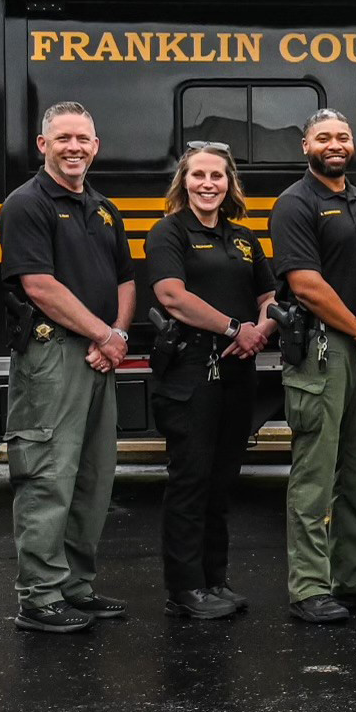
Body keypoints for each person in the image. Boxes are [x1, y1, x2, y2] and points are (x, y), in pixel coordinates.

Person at [0, 102, 135, 634]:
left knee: (93, 479)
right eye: (63, 138)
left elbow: (126, 280)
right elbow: (38, 286)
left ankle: (75, 587)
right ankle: (39, 596)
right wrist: (104, 335)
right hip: (53, 356)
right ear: (43, 145)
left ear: (96, 146)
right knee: (46, 476)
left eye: (83, 138)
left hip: (101, 355)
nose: (74, 147)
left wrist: (116, 336)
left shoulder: (103, 207)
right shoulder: (26, 204)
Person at [270, 108, 356, 624]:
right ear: (305, 145)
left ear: (353, 144)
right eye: (323, 137)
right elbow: (304, 283)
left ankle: (355, 577)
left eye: (343, 136)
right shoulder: (294, 203)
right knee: (315, 473)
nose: (335, 144)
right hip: (323, 350)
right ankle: (310, 586)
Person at [144, 143, 277, 621]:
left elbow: (268, 292)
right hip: (190, 371)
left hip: (238, 370)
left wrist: (261, 328)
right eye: (198, 175)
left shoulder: (243, 237)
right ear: (183, 182)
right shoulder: (168, 233)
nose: (207, 183)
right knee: (190, 480)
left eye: (217, 176)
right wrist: (231, 328)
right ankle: (185, 589)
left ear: (229, 184)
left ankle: (214, 579)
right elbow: (172, 297)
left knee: (222, 481)